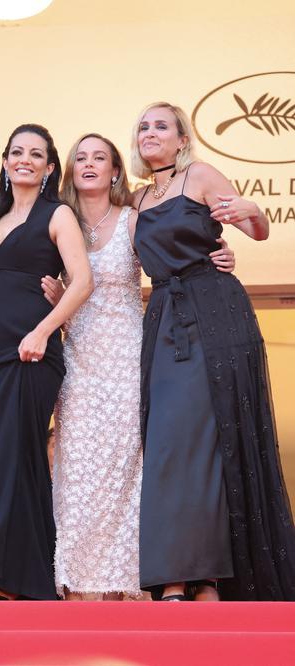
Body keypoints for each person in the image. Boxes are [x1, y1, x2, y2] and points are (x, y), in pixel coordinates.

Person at [47, 133, 235, 600]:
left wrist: (220, 255)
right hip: (78, 355)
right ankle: (76, 583)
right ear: (70, 170)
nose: (90, 164)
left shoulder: (133, 215)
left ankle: (127, 582)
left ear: (116, 171)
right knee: (77, 466)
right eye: (81, 158)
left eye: (101, 157)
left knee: (128, 467)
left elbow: (176, 251)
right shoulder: (57, 221)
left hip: (130, 352)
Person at [129, 102, 295, 601]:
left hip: (215, 312)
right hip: (163, 317)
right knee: (166, 443)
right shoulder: (136, 199)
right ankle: (179, 575)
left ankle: (200, 579)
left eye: (162, 126)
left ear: (182, 139)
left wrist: (253, 211)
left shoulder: (199, 176)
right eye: (143, 126)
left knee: (205, 440)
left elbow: (257, 228)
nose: (150, 132)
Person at [0, 124, 93, 601]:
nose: (24, 159)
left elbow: (83, 282)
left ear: (50, 167)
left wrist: (43, 330)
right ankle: (18, 581)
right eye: (16, 152)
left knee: (6, 451)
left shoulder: (58, 214)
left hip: (33, 350)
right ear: (5, 161)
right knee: (2, 454)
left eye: (36, 154)